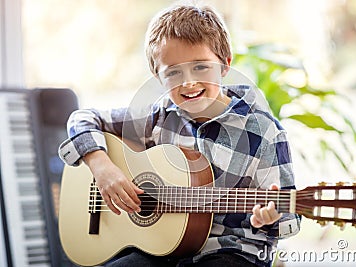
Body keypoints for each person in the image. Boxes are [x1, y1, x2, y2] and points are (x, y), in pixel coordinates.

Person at [58, 3, 301, 267]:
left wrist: (272, 217)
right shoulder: (159, 117)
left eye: (200, 67)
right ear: (157, 76)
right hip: (157, 246)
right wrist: (102, 167)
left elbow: (290, 220)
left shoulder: (265, 131)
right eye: (173, 72)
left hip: (232, 251)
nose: (188, 83)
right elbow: (82, 118)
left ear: (225, 64)